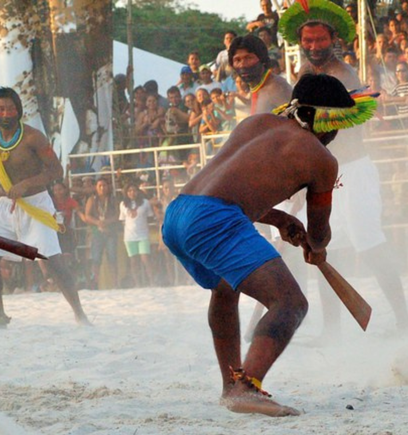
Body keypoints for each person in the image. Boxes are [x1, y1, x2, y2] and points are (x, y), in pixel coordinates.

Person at [161, 73, 378, 417]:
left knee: (224, 289)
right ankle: (248, 386)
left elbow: (232, 186)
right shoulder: (320, 157)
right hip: (215, 219)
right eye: (338, 125)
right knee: (290, 302)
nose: (337, 135)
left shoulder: (258, 123)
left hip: (178, 213)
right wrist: (317, 247)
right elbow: (319, 233)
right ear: (325, 121)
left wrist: (277, 218)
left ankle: (232, 386)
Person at [282, 0, 408, 333]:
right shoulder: (305, 72)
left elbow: (340, 127)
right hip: (326, 173)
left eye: (320, 40)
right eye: (308, 41)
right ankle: (332, 331)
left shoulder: (344, 74)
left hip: (353, 171)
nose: (313, 46)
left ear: (334, 38)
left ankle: (404, 321)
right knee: (325, 249)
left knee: (369, 243)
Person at [0, 87, 89, 327]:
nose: (6, 114)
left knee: (53, 262)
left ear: (19, 111)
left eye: (11, 108)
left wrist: (26, 184)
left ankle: (80, 314)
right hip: (6, 207)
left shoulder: (34, 137)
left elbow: (56, 171)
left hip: (36, 205)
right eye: (1, 109)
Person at [228, 35, 292, 115]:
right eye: (237, 60)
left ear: (262, 59)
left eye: (249, 58)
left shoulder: (275, 87)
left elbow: (295, 122)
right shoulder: (256, 85)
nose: (242, 65)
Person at [119, 182, 154, 287]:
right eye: (129, 191)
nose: (132, 193)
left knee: (145, 259)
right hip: (129, 237)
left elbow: (150, 217)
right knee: (133, 261)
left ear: (138, 191)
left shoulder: (145, 203)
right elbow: (122, 220)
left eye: (134, 190)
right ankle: (138, 284)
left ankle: (152, 282)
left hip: (143, 235)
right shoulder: (122, 204)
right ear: (126, 193)